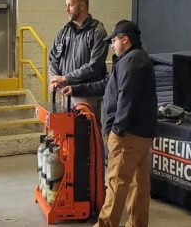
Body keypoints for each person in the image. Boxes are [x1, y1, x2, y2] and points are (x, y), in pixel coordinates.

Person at [62, 20, 157, 227]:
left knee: (116, 182)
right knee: (137, 184)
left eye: (114, 40)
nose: (112, 45)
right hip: (139, 134)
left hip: (128, 135)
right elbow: (109, 85)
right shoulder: (132, 59)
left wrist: (117, 130)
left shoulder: (132, 61)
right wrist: (76, 89)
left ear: (125, 39)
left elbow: (126, 98)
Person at [49, 0, 108, 117]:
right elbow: (53, 58)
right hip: (64, 93)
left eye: (70, 5)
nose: (67, 10)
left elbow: (94, 67)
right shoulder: (63, 32)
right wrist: (54, 79)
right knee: (65, 134)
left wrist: (65, 78)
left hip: (86, 96)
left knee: (85, 134)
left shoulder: (97, 32)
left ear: (82, 6)